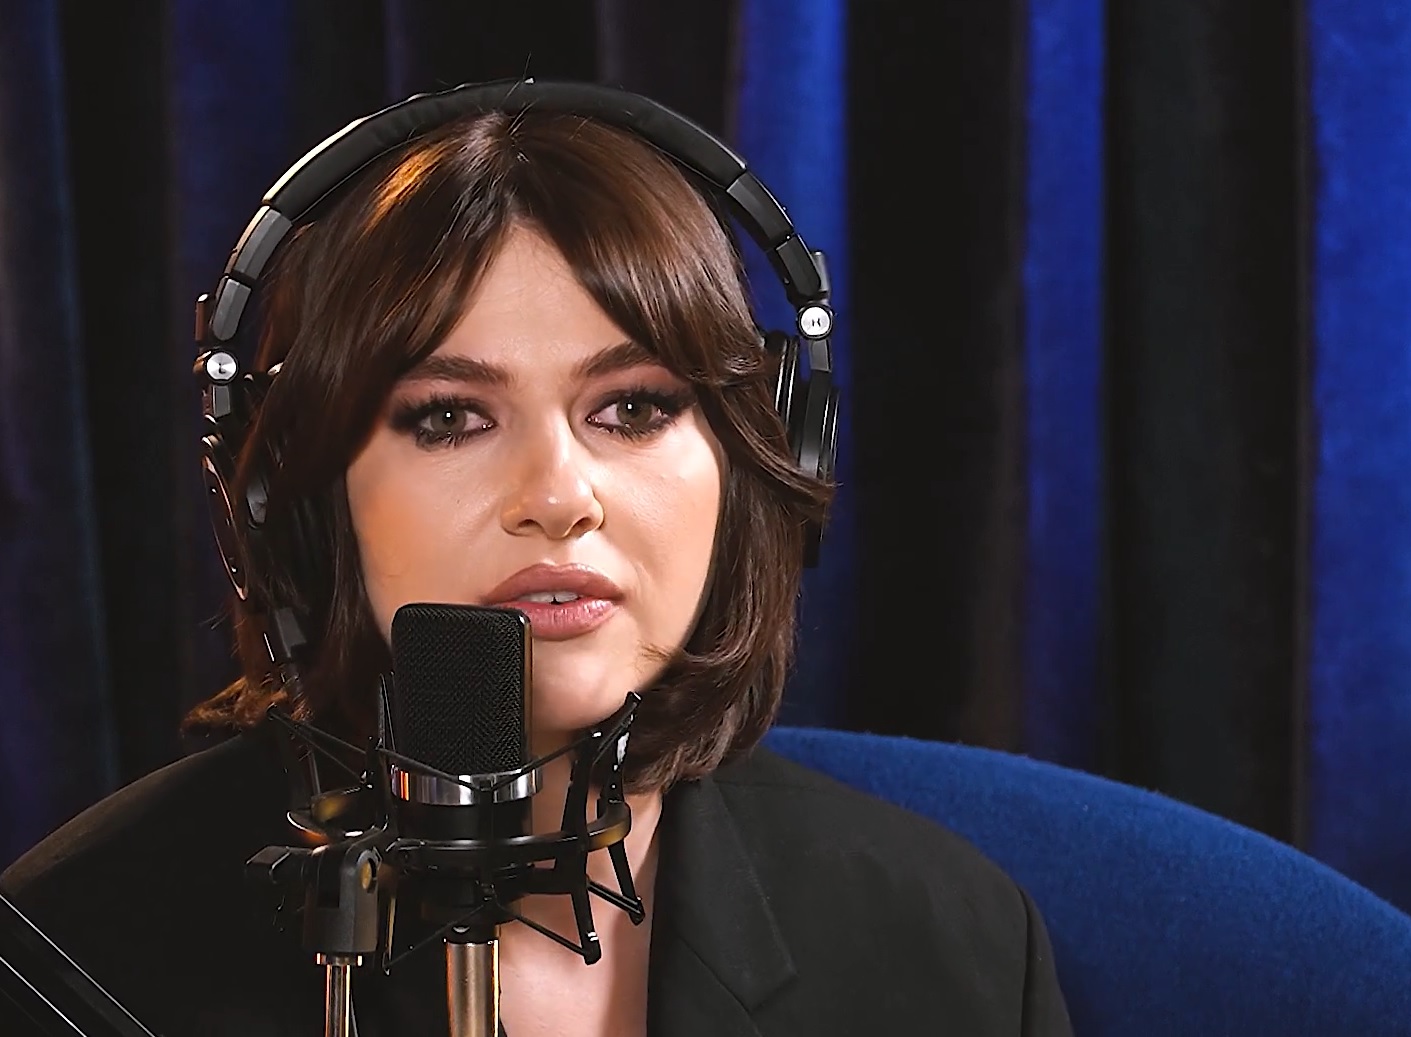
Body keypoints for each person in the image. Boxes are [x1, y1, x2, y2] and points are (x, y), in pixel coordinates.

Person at [1, 82, 1073, 1036]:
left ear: (757, 459)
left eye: (633, 407)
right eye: (449, 417)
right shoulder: (70, 959)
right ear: (299, 501)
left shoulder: (957, 945)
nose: (559, 497)